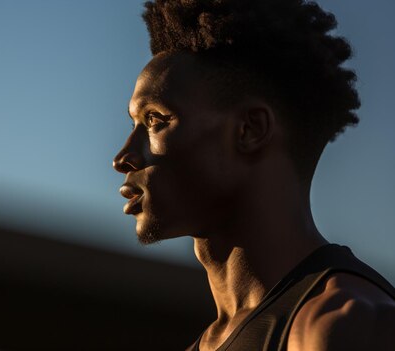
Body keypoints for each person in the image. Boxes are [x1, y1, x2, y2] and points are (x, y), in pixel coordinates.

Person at [112, 1, 395, 350]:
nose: (122, 158)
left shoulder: (349, 325)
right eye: (134, 123)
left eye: (155, 120)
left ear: (249, 130)